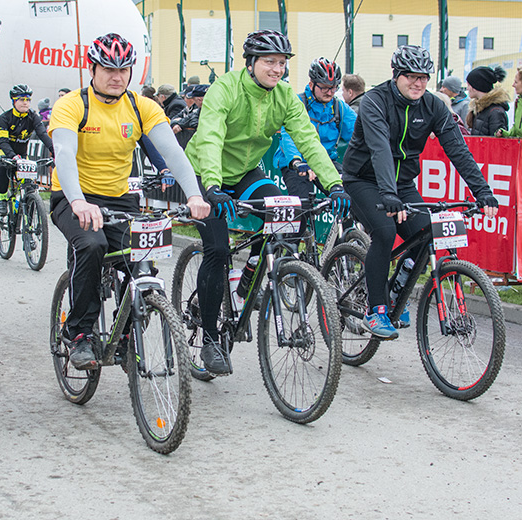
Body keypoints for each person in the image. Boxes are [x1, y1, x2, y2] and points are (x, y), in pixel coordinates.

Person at [184, 30, 351, 375]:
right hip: (204, 172)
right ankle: (212, 340)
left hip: (245, 171)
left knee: (285, 217)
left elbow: (308, 139)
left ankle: (246, 282)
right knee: (216, 249)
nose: (277, 70)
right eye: (269, 62)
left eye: (282, 63)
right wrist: (212, 186)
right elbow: (211, 137)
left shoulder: (285, 96)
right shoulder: (226, 88)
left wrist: (334, 184)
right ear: (251, 63)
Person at [49, 32, 211, 370]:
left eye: (123, 69)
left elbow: (172, 153)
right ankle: (78, 333)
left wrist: (194, 194)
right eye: (108, 68)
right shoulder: (72, 105)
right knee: (92, 246)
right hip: (72, 195)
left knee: (142, 259)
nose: (116, 76)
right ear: (92, 69)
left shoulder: (141, 106)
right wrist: (78, 201)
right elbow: (64, 155)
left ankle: (125, 334)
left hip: (119, 198)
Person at [342, 45, 498, 339]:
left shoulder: (433, 105)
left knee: (427, 233)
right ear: (396, 75)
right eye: (411, 77)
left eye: (424, 78)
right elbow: (379, 150)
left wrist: (483, 191)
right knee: (386, 232)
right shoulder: (375, 101)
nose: (418, 83)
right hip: (363, 180)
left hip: (401, 184)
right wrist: (388, 195)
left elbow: (457, 149)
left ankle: (394, 293)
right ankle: (375, 311)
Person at [274, 57, 356, 201]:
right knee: (302, 204)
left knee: (349, 196)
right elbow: (289, 137)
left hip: (325, 160)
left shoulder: (339, 108)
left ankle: (345, 222)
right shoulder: (297, 103)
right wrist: (296, 161)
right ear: (312, 84)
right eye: (324, 87)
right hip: (296, 162)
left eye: (334, 87)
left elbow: (359, 134)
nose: (330, 92)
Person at [0, 84, 54, 214]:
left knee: (28, 184)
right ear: (14, 101)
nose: (25, 103)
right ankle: (2, 199)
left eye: (28, 100)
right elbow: (2, 141)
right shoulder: (5, 118)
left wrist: (54, 150)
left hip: (21, 154)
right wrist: (12, 156)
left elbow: (43, 134)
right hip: (2, 150)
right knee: (3, 166)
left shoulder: (33, 117)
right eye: (21, 99)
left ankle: (27, 208)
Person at [465, 65, 509, 137]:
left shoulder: (495, 112)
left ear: (476, 86)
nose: (467, 88)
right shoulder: (479, 108)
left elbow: (498, 142)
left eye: (469, 85)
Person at [170, 84, 208, 149]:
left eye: (194, 99)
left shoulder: (201, 111)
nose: (194, 101)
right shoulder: (198, 110)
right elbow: (179, 119)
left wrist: (178, 123)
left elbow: (192, 122)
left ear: (200, 99)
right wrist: (175, 123)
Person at [496, 66, 521, 138]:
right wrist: (504, 133)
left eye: (516, 82)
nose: (513, 85)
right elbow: (516, 129)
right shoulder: (518, 102)